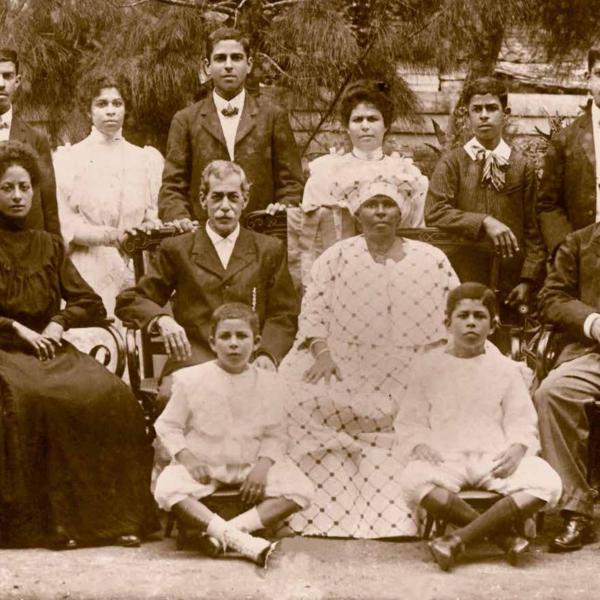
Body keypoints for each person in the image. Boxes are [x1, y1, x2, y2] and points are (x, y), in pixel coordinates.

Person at [279, 179, 460, 538]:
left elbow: (456, 311)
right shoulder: (337, 256)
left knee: (437, 398)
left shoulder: (431, 258)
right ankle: (324, 509)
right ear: (357, 212)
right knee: (297, 393)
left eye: (388, 205)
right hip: (345, 358)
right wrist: (323, 352)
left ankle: (415, 511)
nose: (380, 212)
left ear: (401, 211)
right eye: (372, 205)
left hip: (416, 361)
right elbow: (312, 312)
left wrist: (439, 362)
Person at [0, 141, 154, 549]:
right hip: (5, 350)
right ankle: (53, 524)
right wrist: (16, 328)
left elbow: (89, 302)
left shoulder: (50, 245)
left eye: (24, 188)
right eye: (7, 188)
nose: (17, 196)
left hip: (49, 346)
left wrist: (56, 322)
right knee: (32, 399)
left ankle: (116, 518)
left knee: (110, 394)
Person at [396, 283, 562, 571]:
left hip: (493, 458)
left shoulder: (505, 370)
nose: (471, 322)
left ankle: (457, 539)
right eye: (463, 316)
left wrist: (517, 448)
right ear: (447, 323)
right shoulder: (427, 367)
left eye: (479, 316)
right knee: (412, 479)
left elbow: (521, 419)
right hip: (446, 457)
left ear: (493, 324)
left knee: (548, 482)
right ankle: (501, 537)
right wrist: (420, 444)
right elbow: (411, 419)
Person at [116, 160, 299, 406]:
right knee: (173, 397)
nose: (225, 207)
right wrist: (162, 320)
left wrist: (268, 353)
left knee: (284, 400)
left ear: (245, 200)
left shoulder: (269, 249)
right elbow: (131, 300)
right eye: (217, 197)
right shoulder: (177, 249)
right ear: (203, 200)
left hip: (249, 357)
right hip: (193, 357)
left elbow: (284, 313)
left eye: (233, 198)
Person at [153, 302, 314, 567]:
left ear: (257, 341)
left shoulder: (269, 383)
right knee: (168, 486)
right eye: (225, 337)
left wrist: (263, 467)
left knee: (300, 489)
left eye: (242, 336)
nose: (234, 344)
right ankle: (240, 538)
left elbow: (276, 434)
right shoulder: (191, 380)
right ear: (212, 342)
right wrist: (188, 459)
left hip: (249, 465)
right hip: (205, 463)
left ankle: (227, 533)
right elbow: (168, 426)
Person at [53, 70, 163, 353]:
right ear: (88, 111)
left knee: (142, 348)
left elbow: (153, 213)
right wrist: (110, 236)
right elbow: (67, 224)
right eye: (101, 104)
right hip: (90, 266)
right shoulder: (69, 160)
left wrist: (147, 229)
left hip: (137, 264)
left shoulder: (145, 159)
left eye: (117, 103)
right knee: (101, 347)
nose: (111, 110)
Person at [158, 26, 304, 231]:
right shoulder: (185, 120)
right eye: (220, 59)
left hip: (260, 239)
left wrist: (284, 207)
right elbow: (172, 187)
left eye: (236, 58)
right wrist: (180, 219)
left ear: (249, 64)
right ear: (207, 66)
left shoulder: (272, 117)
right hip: (201, 240)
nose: (228, 65)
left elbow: (292, 184)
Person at [425, 76, 546, 320]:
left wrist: (528, 279)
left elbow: (535, 230)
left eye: (491, 108)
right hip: (463, 275)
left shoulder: (522, 166)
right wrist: (484, 221)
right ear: (466, 114)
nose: (484, 115)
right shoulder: (453, 162)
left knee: (507, 345)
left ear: (506, 114)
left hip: (510, 281)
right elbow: (435, 211)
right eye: (476, 109)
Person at [294, 79, 427, 285]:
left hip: (398, 273)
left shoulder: (407, 174)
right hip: (342, 273)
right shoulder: (326, 173)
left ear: (386, 126)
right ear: (347, 127)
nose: (365, 126)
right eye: (357, 120)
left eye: (373, 119)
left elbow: (417, 231)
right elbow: (313, 236)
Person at [533, 221, 600, 552]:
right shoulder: (578, 243)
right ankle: (577, 510)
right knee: (553, 392)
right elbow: (552, 297)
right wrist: (593, 322)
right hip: (592, 353)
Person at [537, 46, 600, 257]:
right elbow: (547, 205)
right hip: (582, 257)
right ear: (588, 78)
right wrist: (565, 247)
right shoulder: (566, 140)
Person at [0, 47, 59, 235]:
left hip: (26, 249)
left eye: (7, 76)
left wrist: (54, 250)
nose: (1, 83)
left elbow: (49, 206)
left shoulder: (36, 139)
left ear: (17, 82)